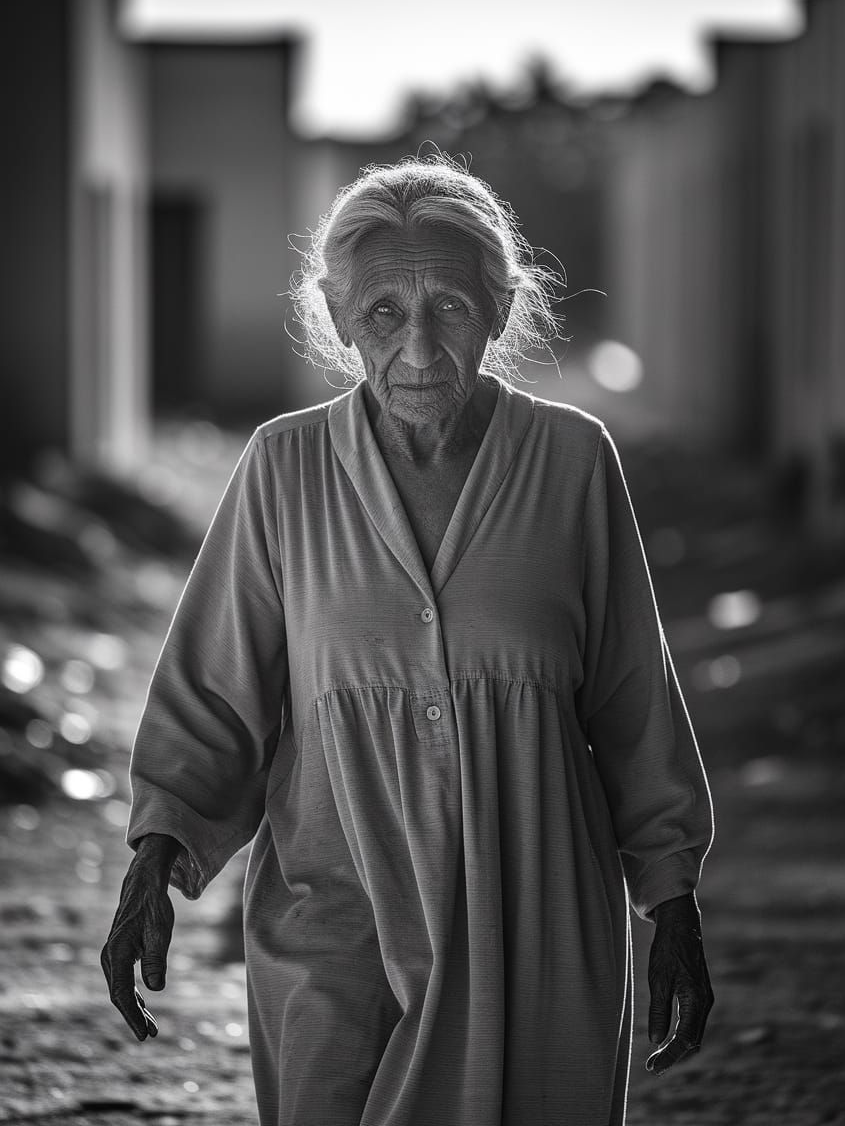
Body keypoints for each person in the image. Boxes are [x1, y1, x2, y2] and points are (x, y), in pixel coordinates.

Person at [102, 155, 714, 1126]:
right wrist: (154, 865)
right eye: (384, 313)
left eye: (454, 309)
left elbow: (634, 700)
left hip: (534, 927)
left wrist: (672, 899)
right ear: (340, 322)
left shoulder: (572, 465)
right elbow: (214, 688)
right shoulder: (283, 471)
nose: (420, 346)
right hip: (333, 928)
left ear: (502, 313)